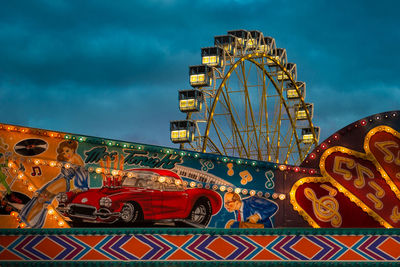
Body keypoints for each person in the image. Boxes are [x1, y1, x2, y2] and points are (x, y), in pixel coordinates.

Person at [19, 140, 89, 228]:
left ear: (73, 149)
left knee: (42, 199)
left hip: (63, 181)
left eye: (67, 151)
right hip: (59, 179)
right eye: (63, 152)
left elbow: (82, 173)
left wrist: (81, 187)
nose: (65, 154)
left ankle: (30, 223)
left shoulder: (76, 158)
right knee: (41, 200)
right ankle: (30, 222)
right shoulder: (70, 159)